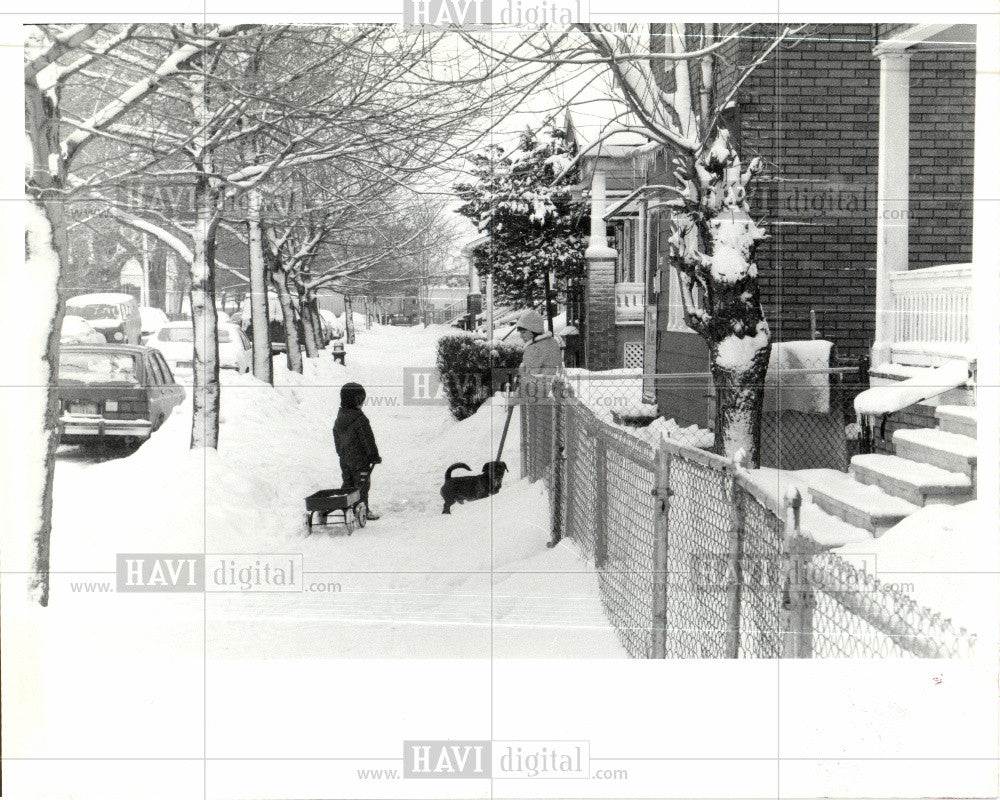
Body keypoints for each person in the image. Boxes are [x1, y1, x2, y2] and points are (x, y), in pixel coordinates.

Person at [333, 381, 381, 520]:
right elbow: (367, 439)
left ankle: (345, 505)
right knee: (362, 484)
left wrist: (341, 453)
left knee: (348, 483)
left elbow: (337, 438)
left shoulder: (339, 418)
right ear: (357, 400)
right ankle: (362, 509)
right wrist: (374, 456)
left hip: (345, 459)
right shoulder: (360, 419)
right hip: (360, 460)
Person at [514, 309, 563, 404]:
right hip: (553, 392)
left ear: (533, 331)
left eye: (523, 332)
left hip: (537, 396)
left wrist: (516, 396)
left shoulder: (533, 348)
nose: (521, 336)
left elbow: (529, 376)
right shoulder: (552, 342)